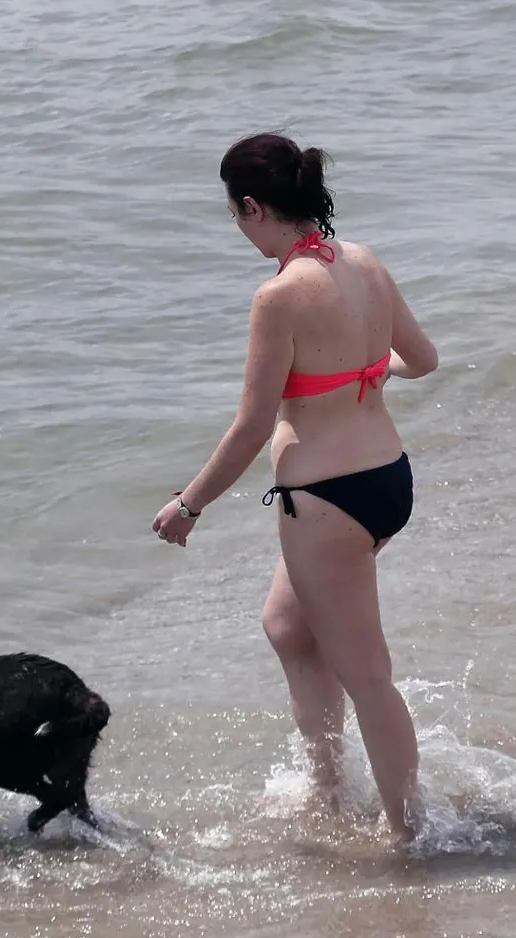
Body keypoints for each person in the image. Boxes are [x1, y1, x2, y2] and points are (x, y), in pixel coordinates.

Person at [152, 133, 439, 841]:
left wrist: (189, 505)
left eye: (235, 214)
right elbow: (423, 359)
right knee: (286, 625)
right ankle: (327, 789)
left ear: (253, 207)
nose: (238, 228)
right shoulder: (364, 263)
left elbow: (252, 427)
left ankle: (411, 836)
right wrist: (365, 375)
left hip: (328, 502)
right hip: (386, 480)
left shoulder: (279, 296)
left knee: (367, 674)